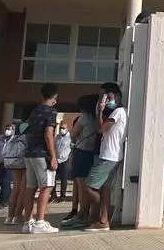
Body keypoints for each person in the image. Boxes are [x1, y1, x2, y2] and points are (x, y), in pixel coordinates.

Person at [81, 82, 128, 232]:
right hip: (112, 155)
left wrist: (100, 111)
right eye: (103, 96)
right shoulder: (120, 112)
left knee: (88, 186)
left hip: (109, 156)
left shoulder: (118, 112)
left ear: (116, 95)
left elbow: (101, 128)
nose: (105, 99)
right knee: (105, 188)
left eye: (108, 96)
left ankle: (102, 209)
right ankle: (103, 220)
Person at [20, 83, 60, 235]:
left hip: (30, 153)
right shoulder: (51, 112)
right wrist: (53, 156)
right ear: (54, 97)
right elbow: (48, 134)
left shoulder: (35, 111)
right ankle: (40, 222)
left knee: (30, 188)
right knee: (46, 187)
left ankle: (27, 222)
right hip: (42, 154)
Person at [62, 94, 99, 228]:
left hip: (81, 151)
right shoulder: (99, 118)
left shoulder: (85, 118)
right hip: (93, 153)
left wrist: (76, 137)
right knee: (89, 184)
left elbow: (72, 135)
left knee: (81, 185)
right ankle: (87, 213)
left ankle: (82, 214)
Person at [0, 123, 23, 209]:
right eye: (6, 129)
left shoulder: (16, 140)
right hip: (1, 164)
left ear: (13, 131)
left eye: (9, 129)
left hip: (10, 164)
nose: (7, 131)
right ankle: (9, 198)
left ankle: (2, 202)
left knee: (5, 183)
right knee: (2, 182)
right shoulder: (1, 139)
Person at [53, 122, 72, 202]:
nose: (62, 130)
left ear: (67, 129)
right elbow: (54, 146)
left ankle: (62, 196)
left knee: (64, 179)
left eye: (63, 128)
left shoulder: (70, 138)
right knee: (53, 178)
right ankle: (53, 195)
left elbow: (72, 148)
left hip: (65, 160)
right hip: (56, 159)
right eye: (61, 128)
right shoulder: (58, 137)